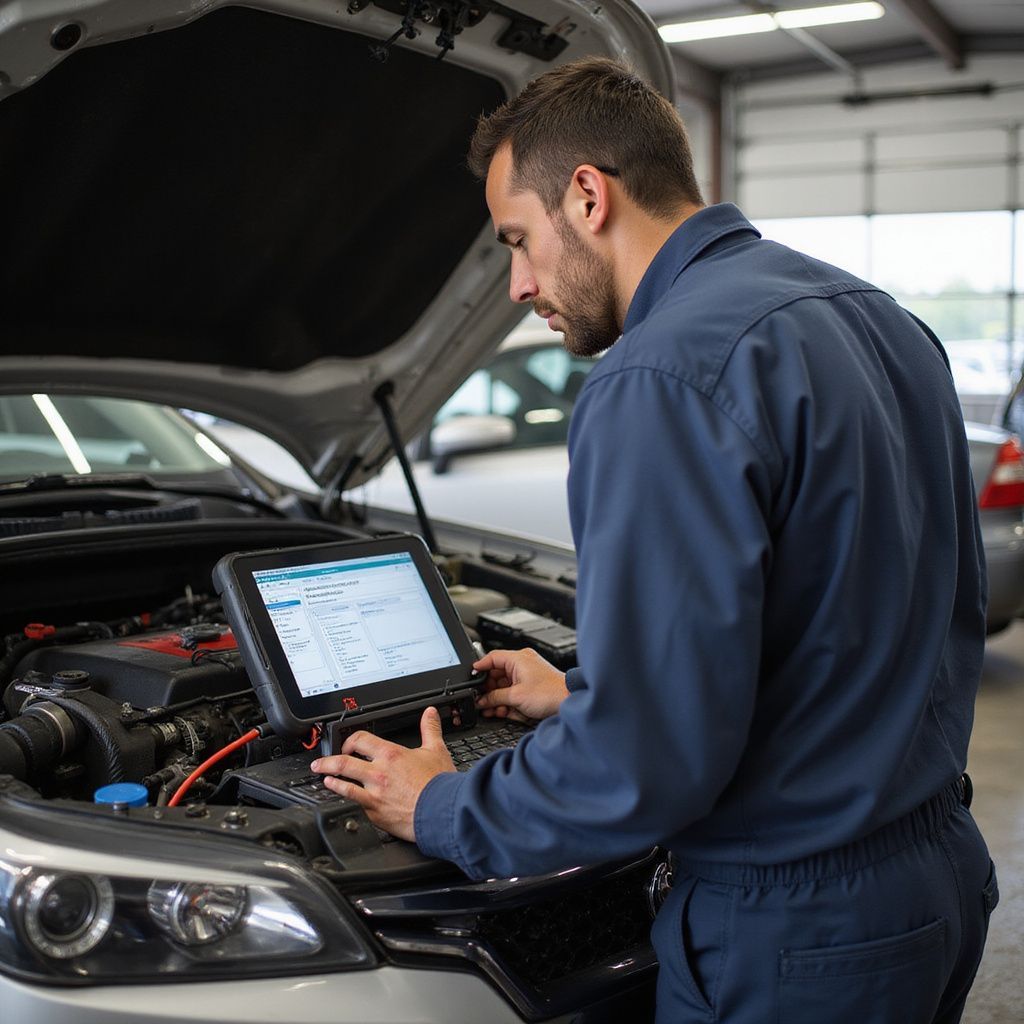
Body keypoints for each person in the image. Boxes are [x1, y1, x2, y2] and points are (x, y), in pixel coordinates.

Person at [312, 58, 997, 1023]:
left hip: (792, 931)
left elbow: (642, 767)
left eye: (518, 240)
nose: (515, 285)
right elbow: (848, 619)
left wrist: (439, 806)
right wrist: (584, 694)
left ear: (587, 196)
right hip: (934, 878)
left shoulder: (660, 377)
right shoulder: (877, 320)